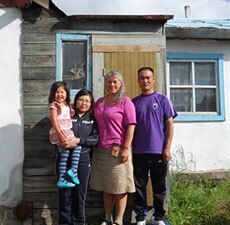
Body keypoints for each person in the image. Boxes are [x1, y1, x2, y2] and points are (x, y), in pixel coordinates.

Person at [132, 67, 177, 225]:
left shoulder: (163, 100)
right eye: (142, 78)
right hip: (138, 152)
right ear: (138, 80)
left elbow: (170, 124)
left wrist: (167, 147)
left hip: (159, 151)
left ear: (153, 79)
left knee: (158, 186)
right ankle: (141, 217)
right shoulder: (134, 103)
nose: (145, 81)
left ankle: (158, 217)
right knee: (139, 186)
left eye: (148, 78)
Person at [90, 71, 136, 225]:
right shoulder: (100, 102)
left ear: (120, 84)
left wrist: (126, 148)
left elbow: (131, 126)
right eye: (109, 82)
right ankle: (107, 217)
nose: (112, 85)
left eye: (115, 82)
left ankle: (119, 219)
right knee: (106, 186)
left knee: (119, 186)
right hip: (101, 150)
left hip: (118, 150)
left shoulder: (125, 102)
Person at [57, 88, 98, 225]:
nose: (84, 103)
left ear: (91, 104)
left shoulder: (92, 119)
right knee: (65, 194)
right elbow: (57, 129)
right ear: (76, 101)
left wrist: (79, 141)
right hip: (64, 159)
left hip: (83, 161)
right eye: (81, 100)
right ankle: (64, 222)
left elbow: (95, 139)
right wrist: (62, 141)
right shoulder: (68, 114)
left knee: (79, 194)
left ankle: (79, 222)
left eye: (87, 101)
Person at [48, 81, 81, 188]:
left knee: (65, 154)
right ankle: (73, 171)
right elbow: (54, 122)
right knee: (78, 145)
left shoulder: (67, 106)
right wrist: (61, 135)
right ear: (53, 94)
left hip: (66, 132)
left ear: (67, 93)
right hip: (59, 132)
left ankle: (62, 178)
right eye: (57, 92)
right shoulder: (55, 106)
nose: (60, 95)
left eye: (62, 92)